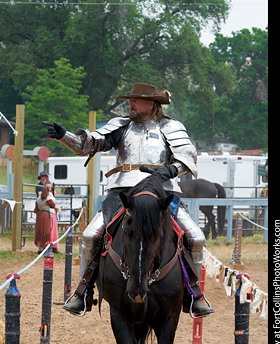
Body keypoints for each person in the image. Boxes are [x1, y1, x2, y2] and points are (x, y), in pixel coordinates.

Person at [43, 82, 213, 317]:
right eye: (130, 100)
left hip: (160, 192)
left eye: (135, 100)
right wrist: (64, 136)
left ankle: (194, 295)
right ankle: (83, 292)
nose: (130, 104)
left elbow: (187, 157)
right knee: (91, 235)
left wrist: (168, 171)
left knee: (195, 237)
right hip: (122, 194)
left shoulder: (171, 127)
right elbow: (88, 145)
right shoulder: (121, 127)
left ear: (151, 104)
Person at [34, 181, 61, 253]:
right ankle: (45, 247)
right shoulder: (47, 198)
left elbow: (36, 209)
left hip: (42, 214)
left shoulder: (39, 198)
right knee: (46, 231)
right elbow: (52, 205)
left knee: (42, 231)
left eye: (50, 187)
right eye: (48, 188)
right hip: (47, 215)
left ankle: (44, 247)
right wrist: (58, 208)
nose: (49, 189)